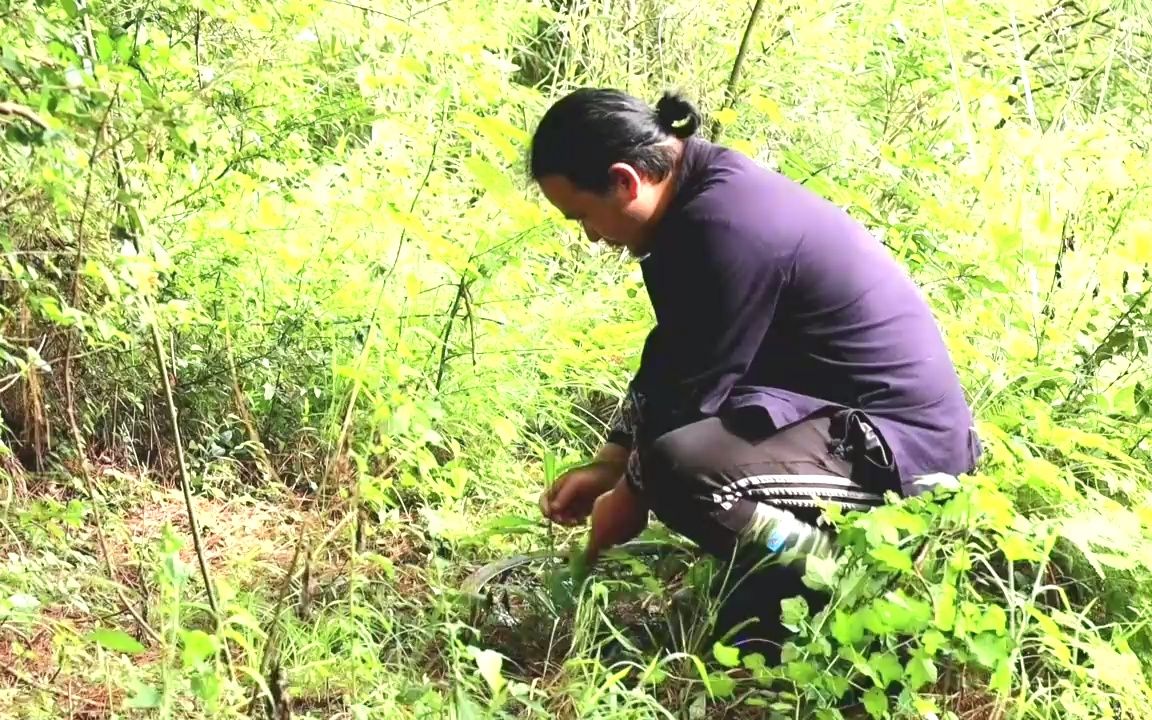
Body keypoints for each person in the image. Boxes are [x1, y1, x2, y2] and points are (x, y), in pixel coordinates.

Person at [528, 87, 981, 660]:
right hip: (836, 417)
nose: (590, 235)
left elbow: (691, 399)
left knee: (680, 470)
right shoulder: (692, 202)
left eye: (582, 216)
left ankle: (837, 579)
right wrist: (610, 461)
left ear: (625, 181)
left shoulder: (726, 226)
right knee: (664, 463)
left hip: (905, 449)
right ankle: (780, 575)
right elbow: (674, 351)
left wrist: (630, 494)